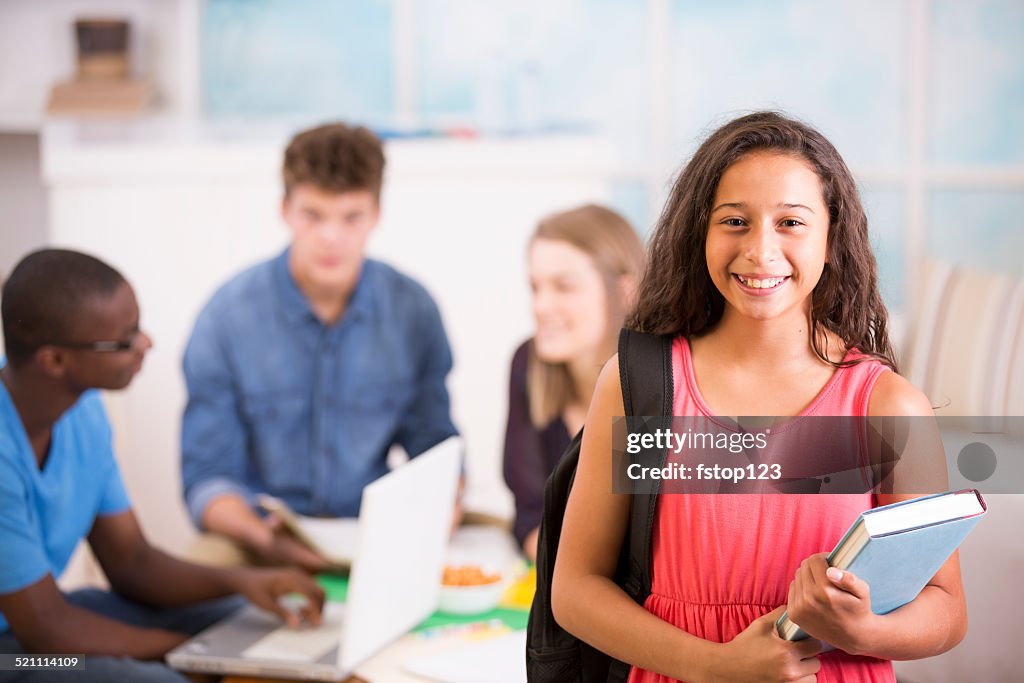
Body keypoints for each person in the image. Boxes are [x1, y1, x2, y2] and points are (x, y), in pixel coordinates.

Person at [550, 112, 965, 682]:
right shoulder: (638, 386)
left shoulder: (888, 407)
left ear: (832, 235)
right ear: (702, 231)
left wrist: (862, 628)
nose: (760, 250)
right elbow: (574, 590)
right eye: (735, 221)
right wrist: (717, 666)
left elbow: (945, 607)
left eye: (791, 221)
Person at [0, 249, 324, 683]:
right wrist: (189, 655)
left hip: (46, 620)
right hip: (18, 655)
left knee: (245, 622)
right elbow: (47, 631)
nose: (146, 344)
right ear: (54, 360)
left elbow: (132, 561)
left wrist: (243, 581)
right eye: (125, 339)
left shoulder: (84, 412)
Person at [181, 123, 459, 571]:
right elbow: (207, 477)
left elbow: (435, 447)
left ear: (376, 214)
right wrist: (268, 541)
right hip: (262, 537)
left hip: (373, 531)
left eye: (351, 217)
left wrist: (444, 503)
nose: (331, 237)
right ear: (285, 209)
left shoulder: (414, 310)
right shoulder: (227, 316)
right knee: (200, 573)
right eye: (313, 215)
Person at [503, 204, 644, 561]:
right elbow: (531, 516)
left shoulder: (669, 378)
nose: (540, 305)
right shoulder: (527, 363)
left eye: (563, 287)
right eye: (535, 287)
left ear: (626, 292)